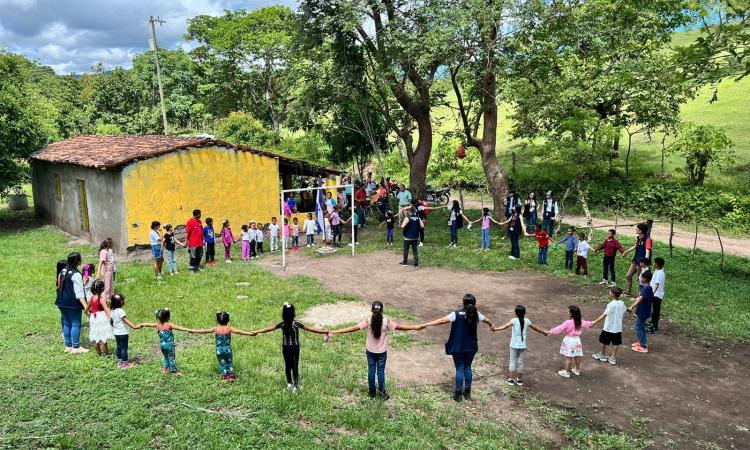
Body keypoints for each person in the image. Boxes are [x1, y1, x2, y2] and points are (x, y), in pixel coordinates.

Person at [331, 301, 423, 399]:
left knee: (371, 370)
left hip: (370, 351)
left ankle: (371, 393)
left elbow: (354, 328)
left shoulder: (368, 321)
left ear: (371, 310)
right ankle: (382, 394)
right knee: (380, 372)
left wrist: (335, 331)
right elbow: (400, 327)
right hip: (382, 352)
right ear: (382, 310)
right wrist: (415, 327)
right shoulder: (386, 321)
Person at [421, 294, 494, 402]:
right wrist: (491, 325)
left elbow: (441, 321)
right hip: (472, 346)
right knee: (468, 367)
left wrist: (426, 324)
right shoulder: (476, 314)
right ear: (474, 303)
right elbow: (487, 320)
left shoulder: (455, 314)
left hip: (458, 347)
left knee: (460, 368)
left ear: (463, 303)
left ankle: (458, 394)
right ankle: (467, 393)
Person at [250, 303, 330, 392]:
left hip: (285, 347)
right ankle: (296, 385)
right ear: (293, 313)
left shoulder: (282, 324)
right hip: (295, 348)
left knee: (288, 365)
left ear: (283, 314)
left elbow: (268, 328)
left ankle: (289, 383)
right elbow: (312, 329)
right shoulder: (297, 324)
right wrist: (324, 331)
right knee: (295, 365)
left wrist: (257, 331)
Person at [491, 305, 549, 386]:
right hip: (522, 345)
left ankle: (511, 380)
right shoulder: (527, 320)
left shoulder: (514, 320)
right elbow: (535, 328)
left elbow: (505, 326)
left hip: (514, 344)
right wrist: (543, 332)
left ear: (515, 313)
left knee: (512, 361)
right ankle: (519, 380)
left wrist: (495, 329)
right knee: (520, 362)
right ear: (524, 313)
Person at [190, 312, 254, 380]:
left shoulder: (216, 329)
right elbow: (239, 331)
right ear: (228, 320)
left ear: (217, 320)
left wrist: (193, 331)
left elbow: (204, 331)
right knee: (229, 362)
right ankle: (231, 375)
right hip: (228, 349)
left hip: (219, 350)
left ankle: (225, 376)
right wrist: (250, 333)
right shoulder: (229, 328)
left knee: (222, 363)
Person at [138, 308, 195, 376]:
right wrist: (188, 329)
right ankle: (174, 372)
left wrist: (141, 324)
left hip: (162, 345)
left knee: (165, 356)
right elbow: (179, 328)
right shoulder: (169, 325)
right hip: (169, 345)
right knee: (171, 357)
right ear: (168, 317)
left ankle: (165, 369)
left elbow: (148, 324)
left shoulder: (157, 325)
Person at [56, 252, 89, 354]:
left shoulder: (63, 271)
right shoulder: (76, 274)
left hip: (61, 301)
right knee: (75, 324)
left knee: (66, 323)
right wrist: (86, 307)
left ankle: (68, 346)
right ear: (78, 261)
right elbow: (79, 294)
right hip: (72, 304)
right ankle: (76, 347)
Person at [548, 305, 594, 378]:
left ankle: (566, 372)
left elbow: (559, 328)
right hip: (577, 340)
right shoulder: (581, 321)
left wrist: (550, 332)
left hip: (569, 340)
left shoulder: (568, 322)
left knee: (569, 357)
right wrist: (591, 323)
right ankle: (577, 370)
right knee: (577, 355)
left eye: (569, 312)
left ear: (571, 313)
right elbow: (590, 324)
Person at [590, 287, 627, 365]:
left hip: (609, 327)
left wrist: (595, 322)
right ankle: (613, 357)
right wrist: (629, 310)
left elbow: (604, 315)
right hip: (618, 328)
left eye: (610, 292)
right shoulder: (621, 303)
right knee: (616, 343)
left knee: (604, 341)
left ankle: (602, 354)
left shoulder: (611, 304)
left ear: (613, 294)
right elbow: (625, 309)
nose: (609, 293)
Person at [110, 293, 140, 369]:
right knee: (124, 348)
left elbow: (111, 321)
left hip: (116, 332)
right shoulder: (121, 311)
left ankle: (119, 362)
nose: (124, 301)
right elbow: (126, 320)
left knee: (119, 347)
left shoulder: (112, 311)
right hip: (123, 333)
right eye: (123, 300)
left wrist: (115, 327)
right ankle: (125, 364)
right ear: (120, 302)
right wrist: (134, 327)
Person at [622, 223, 652, 296]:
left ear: (641, 231)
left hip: (641, 263)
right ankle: (628, 292)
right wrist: (626, 252)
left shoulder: (648, 240)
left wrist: (645, 264)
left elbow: (647, 252)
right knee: (628, 275)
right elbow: (635, 246)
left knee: (640, 280)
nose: (636, 229)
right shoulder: (639, 238)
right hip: (635, 261)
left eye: (637, 229)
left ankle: (640, 295)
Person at [627, 271, 653, 353]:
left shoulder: (646, 288)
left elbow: (641, 299)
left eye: (641, 277)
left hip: (643, 312)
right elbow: (642, 298)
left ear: (644, 279)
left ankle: (643, 346)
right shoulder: (649, 287)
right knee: (641, 327)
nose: (640, 278)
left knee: (638, 327)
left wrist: (631, 307)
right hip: (645, 311)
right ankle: (642, 342)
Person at [87, 279, 113, 356]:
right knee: (103, 336)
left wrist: (90, 316)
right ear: (102, 289)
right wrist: (112, 319)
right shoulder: (101, 299)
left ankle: (98, 353)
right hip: (101, 317)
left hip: (93, 317)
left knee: (96, 335)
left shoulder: (91, 298)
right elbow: (107, 311)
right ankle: (106, 353)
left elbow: (86, 310)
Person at [648, 257, 666, 334]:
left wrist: (652, 294)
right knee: (654, 311)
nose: (653, 264)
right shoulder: (657, 271)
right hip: (655, 294)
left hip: (657, 295)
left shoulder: (660, 273)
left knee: (656, 311)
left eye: (655, 263)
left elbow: (657, 285)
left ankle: (655, 326)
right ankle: (652, 323)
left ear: (658, 264)